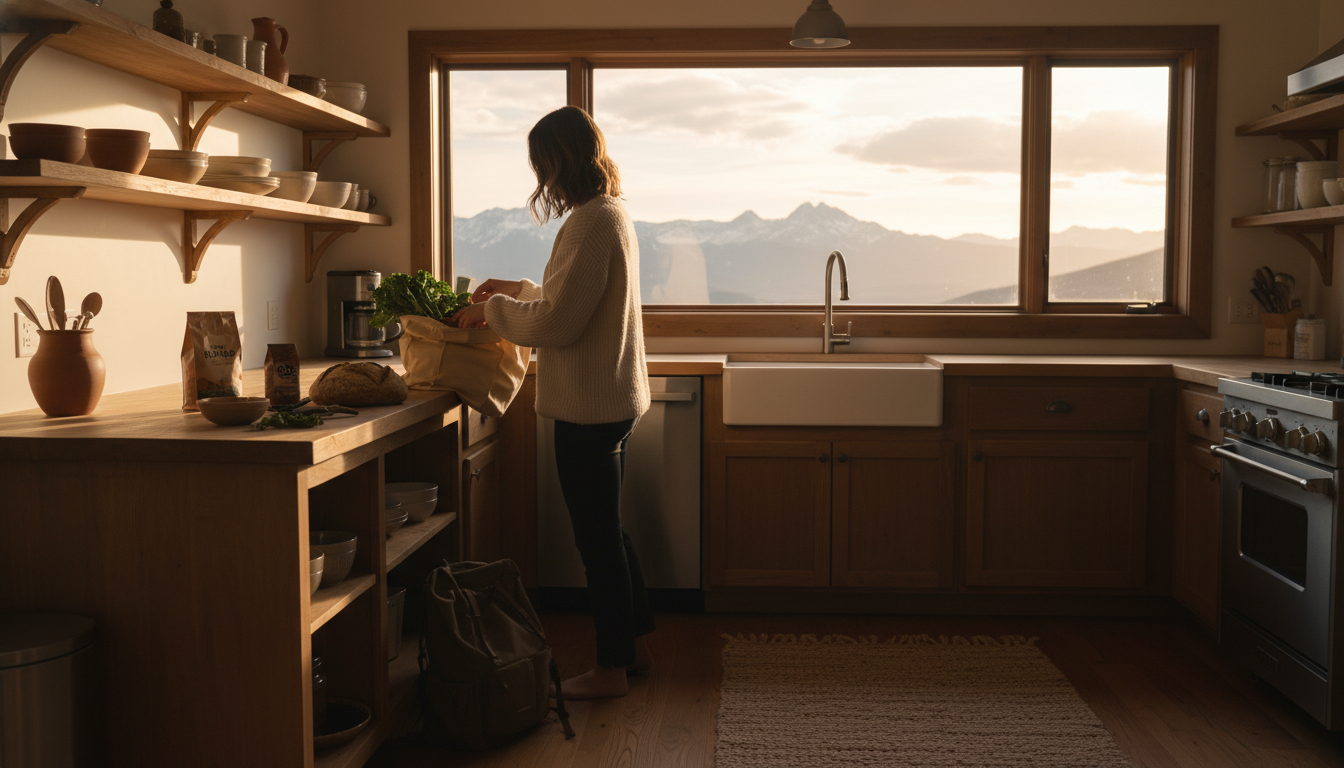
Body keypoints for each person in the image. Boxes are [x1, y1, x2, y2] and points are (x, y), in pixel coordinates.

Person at [450, 106, 653, 700]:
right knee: (608, 533)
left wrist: (487, 312)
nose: (541, 177)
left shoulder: (590, 223)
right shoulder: (613, 214)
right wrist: (517, 291)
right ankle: (633, 649)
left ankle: (612, 669)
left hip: (587, 409)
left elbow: (561, 323)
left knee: (596, 542)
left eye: (541, 164)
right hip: (613, 399)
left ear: (558, 160)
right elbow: (575, 299)